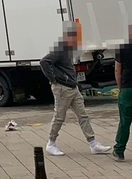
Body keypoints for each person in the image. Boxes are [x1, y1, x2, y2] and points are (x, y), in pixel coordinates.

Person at [40, 29, 112, 155]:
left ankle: (93, 143)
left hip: (73, 88)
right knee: (59, 117)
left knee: (83, 115)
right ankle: (51, 143)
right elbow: (44, 62)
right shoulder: (60, 50)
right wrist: (52, 79)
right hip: (62, 88)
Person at [114, 24, 132, 162]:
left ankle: (119, 151)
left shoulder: (123, 48)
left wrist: (120, 87)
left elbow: (117, 69)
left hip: (127, 89)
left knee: (125, 122)